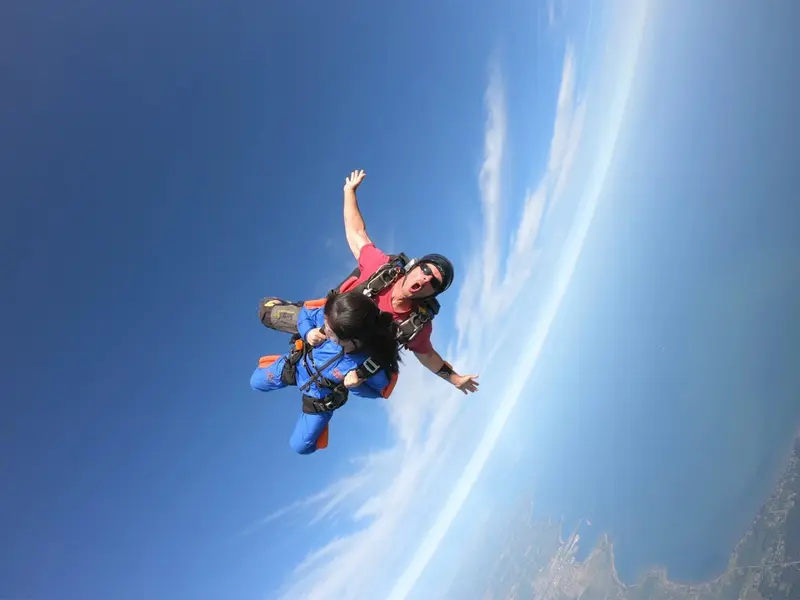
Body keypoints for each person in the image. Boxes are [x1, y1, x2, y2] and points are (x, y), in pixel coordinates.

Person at [259, 170, 480, 395]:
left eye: (433, 282)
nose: (425, 278)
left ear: (431, 294)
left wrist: (455, 379)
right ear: (413, 266)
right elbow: (356, 233)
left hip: (348, 352)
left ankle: (305, 370)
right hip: (325, 319)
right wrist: (349, 192)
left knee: (370, 377)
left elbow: (428, 356)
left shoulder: (416, 324)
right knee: (267, 313)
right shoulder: (380, 268)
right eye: (425, 269)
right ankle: (299, 337)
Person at [250, 290, 401, 455]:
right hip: (297, 365)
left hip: (320, 395)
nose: (325, 331)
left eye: (331, 334)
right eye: (326, 326)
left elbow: (379, 391)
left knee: (300, 447)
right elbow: (306, 313)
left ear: (352, 341)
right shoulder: (334, 317)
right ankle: (275, 362)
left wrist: (357, 384)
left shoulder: (370, 363)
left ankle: (317, 430)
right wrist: (308, 332)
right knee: (256, 383)